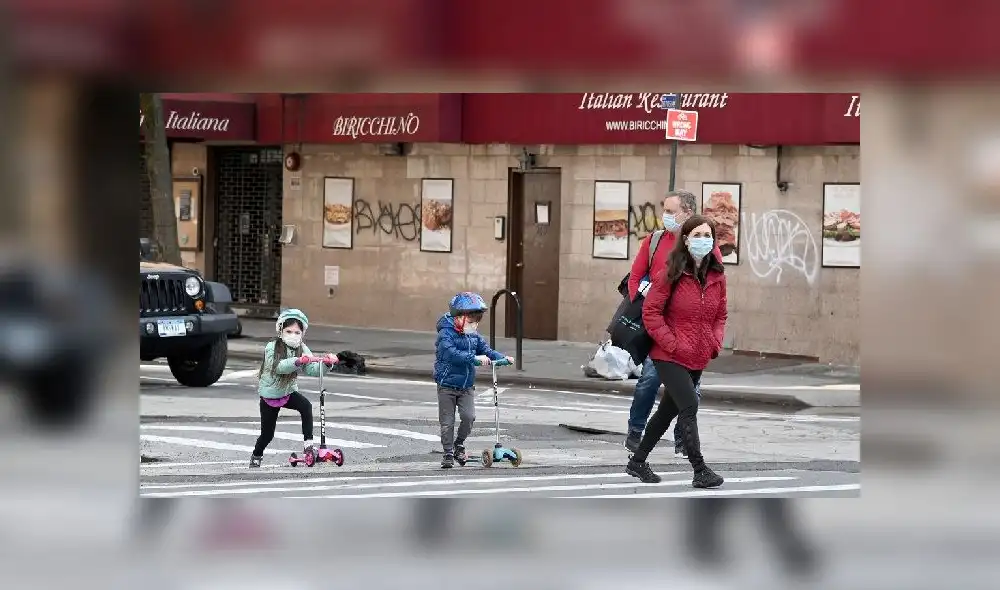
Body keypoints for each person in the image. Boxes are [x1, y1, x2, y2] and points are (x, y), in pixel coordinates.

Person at [625, 215, 727, 488]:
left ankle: (637, 462)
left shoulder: (717, 275)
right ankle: (700, 469)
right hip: (668, 354)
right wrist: (672, 343)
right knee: (690, 404)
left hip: (698, 354)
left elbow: (721, 315)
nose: (703, 241)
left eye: (708, 236)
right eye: (697, 235)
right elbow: (651, 312)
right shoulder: (670, 273)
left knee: (667, 411)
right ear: (685, 240)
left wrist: (715, 342)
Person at [434, 292, 514, 468]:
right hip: (447, 385)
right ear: (458, 318)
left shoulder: (473, 335)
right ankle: (448, 453)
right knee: (447, 422)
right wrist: (474, 358)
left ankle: (459, 444)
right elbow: (452, 354)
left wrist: (502, 358)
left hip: (466, 386)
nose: (473, 325)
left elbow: (486, 350)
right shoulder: (445, 334)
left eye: (476, 322)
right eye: (470, 322)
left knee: (469, 417)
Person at [249, 308, 337, 468]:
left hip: (288, 392)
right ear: (280, 330)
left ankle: (308, 445)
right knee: (267, 434)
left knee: (306, 406)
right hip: (270, 395)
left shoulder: (301, 347)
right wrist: (298, 361)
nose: (293, 335)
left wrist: (327, 364)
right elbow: (278, 367)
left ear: (302, 333)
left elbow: (312, 369)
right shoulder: (272, 346)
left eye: (297, 332)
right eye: (289, 331)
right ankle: (257, 454)